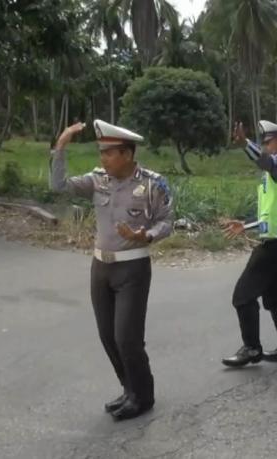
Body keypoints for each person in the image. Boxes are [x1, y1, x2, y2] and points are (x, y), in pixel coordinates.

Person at [49, 120, 174, 421]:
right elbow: (58, 187)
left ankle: (143, 396)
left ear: (127, 154)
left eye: (108, 153)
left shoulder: (153, 183)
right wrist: (60, 147)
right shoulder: (97, 179)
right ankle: (128, 388)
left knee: (127, 338)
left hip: (132, 267)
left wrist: (144, 235)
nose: (102, 158)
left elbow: (167, 221)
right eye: (101, 152)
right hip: (100, 267)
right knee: (108, 336)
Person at [221, 120, 277, 367]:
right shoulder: (271, 177)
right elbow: (270, 215)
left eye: (268, 142)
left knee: (242, 297)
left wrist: (245, 144)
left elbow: (265, 160)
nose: (265, 146)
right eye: (263, 142)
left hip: (275, 247)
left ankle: (252, 348)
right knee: (275, 298)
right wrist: (244, 226)